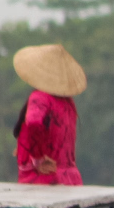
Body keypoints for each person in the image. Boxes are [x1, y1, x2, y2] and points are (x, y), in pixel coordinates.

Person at [11, 44, 86, 186]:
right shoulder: (68, 103)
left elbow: (33, 122)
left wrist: (38, 158)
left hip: (46, 181)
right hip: (70, 179)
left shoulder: (40, 97)